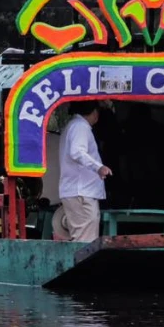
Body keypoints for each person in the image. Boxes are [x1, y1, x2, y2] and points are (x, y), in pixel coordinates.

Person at [52, 101, 112, 242]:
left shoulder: (73, 126)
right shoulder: (80, 127)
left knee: (82, 238)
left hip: (78, 191)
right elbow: (77, 152)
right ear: (95, 112)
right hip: (81, 193)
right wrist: (98, 167)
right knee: (85, 241)